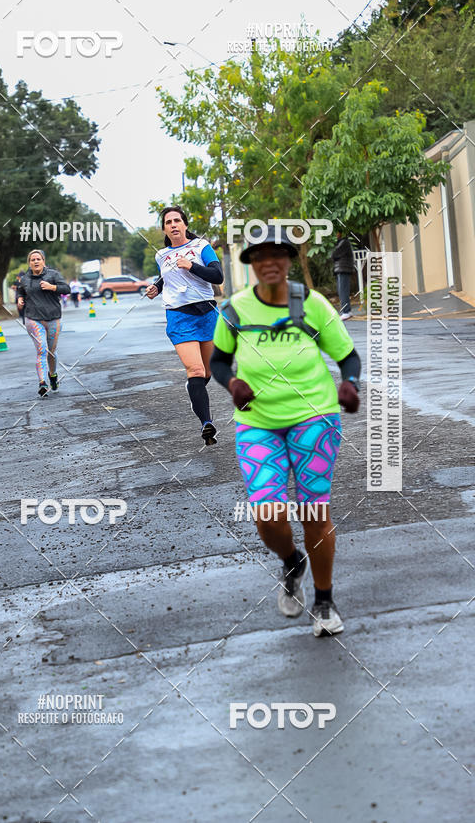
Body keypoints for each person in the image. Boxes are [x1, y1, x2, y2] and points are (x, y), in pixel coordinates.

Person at [210, 224, 361, 637]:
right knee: (267, 513)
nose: (269, 262)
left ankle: (325, 601)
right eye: (260, 256)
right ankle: (293, 560)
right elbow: (219, 362)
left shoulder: (311, 304)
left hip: (315, 416)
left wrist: (351, 384)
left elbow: (348, 357)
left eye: (278, 254)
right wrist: (232, 384)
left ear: (289, 260)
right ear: (253, 265)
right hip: (257, 421)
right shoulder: (235, 310)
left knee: (314, 509)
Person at [146, 205, 224, 446]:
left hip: (207, 312)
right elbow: (166, 277)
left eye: (177, 220)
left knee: (208, 371)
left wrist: (192, 266)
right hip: (179, 316)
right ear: (165, 229)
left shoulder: (201, 247)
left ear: (185, 225)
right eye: (168, 222)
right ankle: (206, 423)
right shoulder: (161, 255)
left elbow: (217, 276)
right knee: (196, 370)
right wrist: (156, 287)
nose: (173, 225)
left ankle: (195, 392)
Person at [16, 250, 70, 396]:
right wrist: (20, 299)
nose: (35, 261)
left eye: (38, 259)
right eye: (32, 259)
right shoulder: (25, 279)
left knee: (51, 352)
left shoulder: (53, 275)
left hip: (53, 318)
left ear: (43, 261)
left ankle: (52, 375)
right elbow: (21, 291)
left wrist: (52, 287)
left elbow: (67, 289)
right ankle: (42, 383)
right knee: (41, 350)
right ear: (29, 263)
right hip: (33, 319)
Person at [331, 232, 354, 321]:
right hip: (341, 269)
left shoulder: (344, 242)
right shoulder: (341, 242)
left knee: (343, 291)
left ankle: (346, 312)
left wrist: (333, 254)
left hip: (343, 269)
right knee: (342, 290)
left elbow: (334, 255)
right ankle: (347, 311)